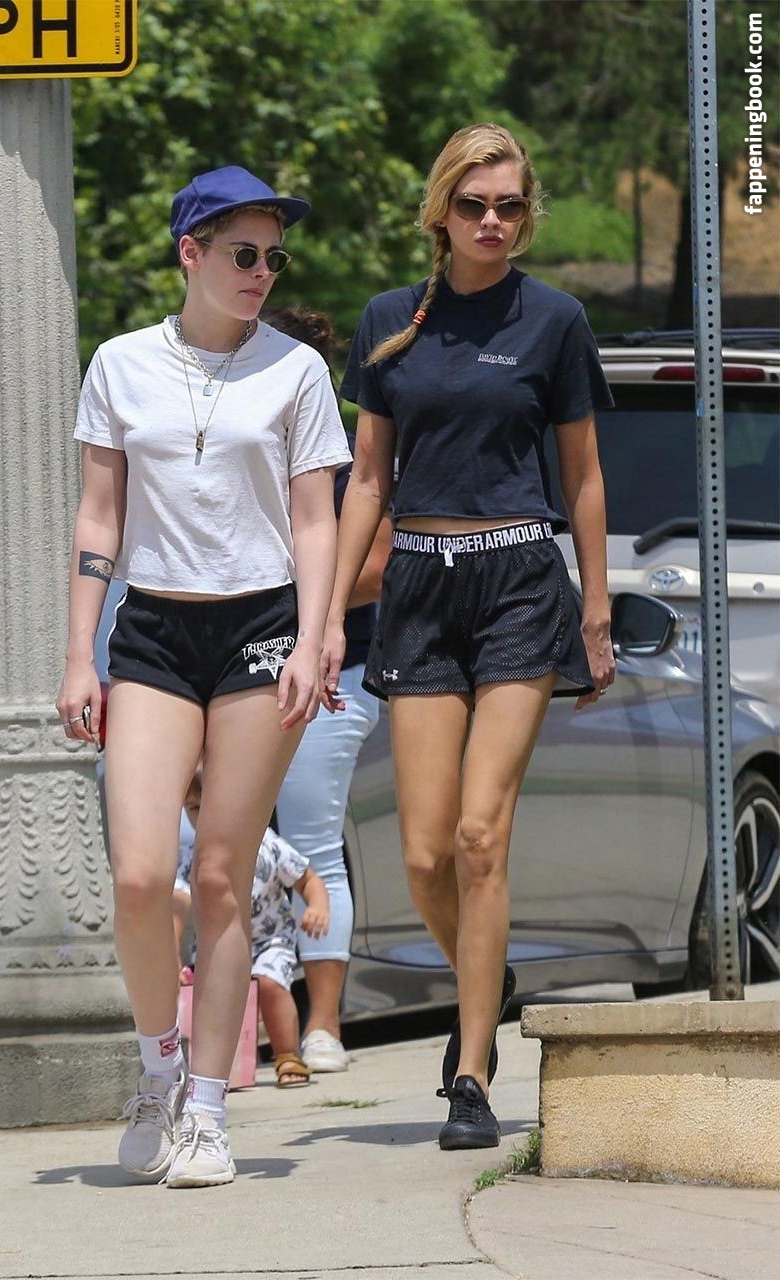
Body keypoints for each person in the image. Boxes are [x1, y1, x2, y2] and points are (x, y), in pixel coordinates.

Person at [57, 165, 351, 1188]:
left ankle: (212, 1114)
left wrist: (315, 636)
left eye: (274, 257)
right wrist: (78, 654)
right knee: (143, 874)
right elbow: (100, 514)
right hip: (153, 628)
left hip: (261, 626)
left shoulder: (296, 371)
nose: (262, 271)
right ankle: (158, 1073)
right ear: (191, 253)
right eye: (243, 253)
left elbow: (315, 520)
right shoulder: (120, 364)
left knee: (223, 874)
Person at [322, 123, 616, 1150]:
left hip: (519, 584)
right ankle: (487, 979)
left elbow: (582, 474)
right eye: (473, 204)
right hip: (416, 588)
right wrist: (326, 616)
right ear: (439, 211)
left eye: (509, 206)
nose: (492, 221)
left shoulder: (555, 319)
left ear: (526, 215)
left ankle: (470, 1069)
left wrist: (595, 606)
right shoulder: (388, 321)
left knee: (479, 837)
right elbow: (368, 479)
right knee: (421, 853)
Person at [263, 306, 392, 1074]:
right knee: (221, 849)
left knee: (312, 845)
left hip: (336, 672)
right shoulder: (232, 449)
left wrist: (296, 603)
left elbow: (374, 569)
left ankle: (324, 1026)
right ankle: (247, 1023)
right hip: (237, 667)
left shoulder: (347, 459)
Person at [173, 769, 331, 1088]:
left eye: (213, 806)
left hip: (270, 941)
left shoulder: (266, 845)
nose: (205, 817)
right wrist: (172, 955)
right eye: (195, 808)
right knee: (213, 1000)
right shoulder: (193, 857)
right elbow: (177, 905)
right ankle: (225, 1069)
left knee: (270, 984)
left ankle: (287, 1054)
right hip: (216, 946)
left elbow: (307, 878)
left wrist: (317, 906)